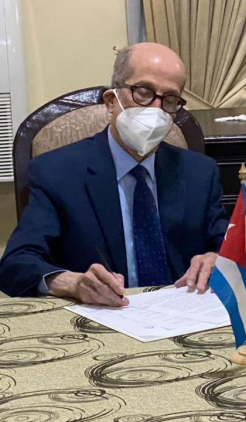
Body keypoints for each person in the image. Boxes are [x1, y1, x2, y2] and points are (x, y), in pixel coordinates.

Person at [0, 43, 229, 305]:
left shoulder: (199, 172)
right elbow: (16, 264)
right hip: (105, 314)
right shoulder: (57, 173)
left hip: (185, 311)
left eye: (169, 99)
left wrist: (218, 259)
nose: (155, 109)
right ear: (111, 101)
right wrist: (72, 283)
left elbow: (232, 247)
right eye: (143, 92)